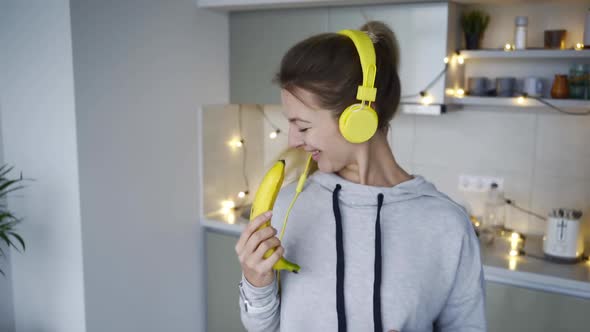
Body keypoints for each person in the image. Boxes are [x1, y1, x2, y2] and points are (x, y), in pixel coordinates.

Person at [234, 21, 486, 332]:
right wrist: (256, 281)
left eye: (303, 126)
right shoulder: (286, 208)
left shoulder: (447, 225)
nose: (293, 141)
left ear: (359, 116)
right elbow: (262, 328)